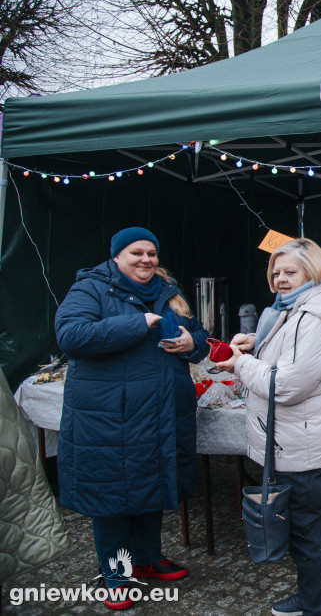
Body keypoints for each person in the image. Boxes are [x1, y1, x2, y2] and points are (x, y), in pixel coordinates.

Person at [54, 227, 208, 610]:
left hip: (161, 412)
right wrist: (138, 323)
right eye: (136, 252)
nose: (146, 259)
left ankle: (146, 558)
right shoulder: (91, 288)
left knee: (151, 485)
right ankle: (115, 574)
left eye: (151, 253)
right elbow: (71, 335)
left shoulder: (167, 289)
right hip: (110, 416)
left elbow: (199, 334)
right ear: (117, 256)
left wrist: (193, 343)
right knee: (111, 495)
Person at [215, 238, 321, 616]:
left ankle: (319, 607)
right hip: (299, 438)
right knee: (300, 526)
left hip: (308, 442)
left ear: (313, 271)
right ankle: (313, 596)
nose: (280, 278)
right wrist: (258, 344)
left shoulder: (315, 317)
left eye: (290, 271)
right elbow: (292, 353)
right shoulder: (297, 308)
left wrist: (240, 363)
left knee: (305, 530)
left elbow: (289, 385)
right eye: (276, 272)